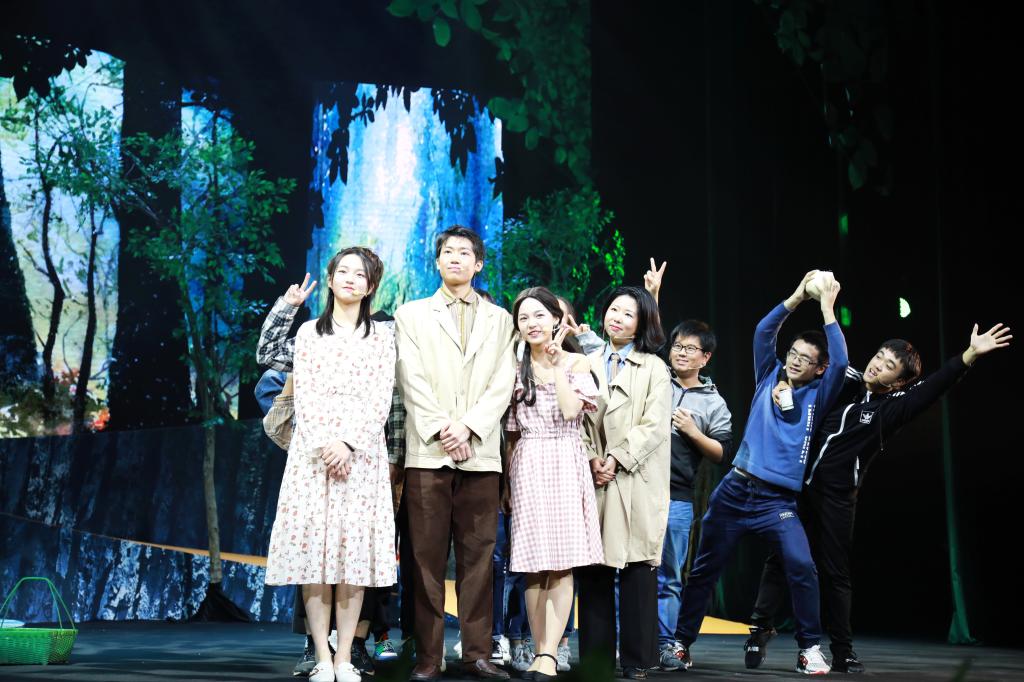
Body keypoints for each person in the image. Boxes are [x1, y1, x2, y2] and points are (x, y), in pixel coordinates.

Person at [746, 322, 1012, 673]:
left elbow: (933, 387)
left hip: (837, 498)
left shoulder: (893, 408)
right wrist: (783, 382)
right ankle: (760, 628)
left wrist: (968, 356)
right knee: (780, 557)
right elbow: (805, 367)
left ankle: (842, 651)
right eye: (879, 357)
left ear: (899, 382)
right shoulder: (845, 380)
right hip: (798, 487)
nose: (877, 365)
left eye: (889, 366)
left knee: (835, 573)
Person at [673, 270, 847, 676]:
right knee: (704, 570)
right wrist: (797, 296)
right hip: (735, 491)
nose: (795, 361)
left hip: (776, 501)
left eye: (805, 359)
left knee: (802, 567)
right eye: (793, 353)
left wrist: (826, 307)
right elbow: (763, 332)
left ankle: (809, 648)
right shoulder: (769, 374)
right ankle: (680, 643)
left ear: (819, 369)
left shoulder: (819, 393)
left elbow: (841, 361)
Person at [256, 272, 406, 677]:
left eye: (360, 275)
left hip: (362, 457)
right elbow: (271, 357)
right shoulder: (309, 333)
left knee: (353, 559)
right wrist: (287, 306)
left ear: (370, 287)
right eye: (343, 272)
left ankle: (345, 659)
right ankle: (322, 657)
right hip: (313, 456)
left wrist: (349, 443)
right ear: (330, 281)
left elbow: (381, 397)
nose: (351, 280)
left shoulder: (382, 336)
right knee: (315, 559)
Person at [395, 226, 516, 682]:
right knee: (425, 559)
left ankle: (477, 653)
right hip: (429, 452)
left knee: (479, 558)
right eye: (448, 252)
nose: (456, 259)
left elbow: (503, 380)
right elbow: (409, 376)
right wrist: (444, 428)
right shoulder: (411, 315)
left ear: (478, 263)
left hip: (480, 453)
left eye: (465, 253)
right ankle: (429, 657)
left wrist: (469, 426)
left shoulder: (500, 319)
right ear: (437, 261)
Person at [504, 287, 605, 680]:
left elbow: (569, 409)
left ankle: (548, 652)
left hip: (564, 458)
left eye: (539, 315)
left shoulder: (577, 362)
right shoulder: (514, 365)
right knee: (533, 567)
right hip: (528, 462)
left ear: (556, 320)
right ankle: (539, 650)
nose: (532, 323)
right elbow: (511, 432)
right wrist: (506, 483)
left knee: (561, 565)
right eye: (524, 317)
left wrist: (558, 362)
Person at [577, 285, 671, 681]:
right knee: (594, 571)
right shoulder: (585, 361)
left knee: (636, 569)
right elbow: (575, 419)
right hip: (593, 476)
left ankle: (637, 660)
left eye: (628, 314)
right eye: (613, 309)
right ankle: (596, 659)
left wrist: (616, 458)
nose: (616, 318)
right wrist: (591, 457)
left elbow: (654, 425)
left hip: (634, 478)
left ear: (642, 323)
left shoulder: (654, 368)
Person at [655, 320, 733, 671]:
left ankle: (665, 646)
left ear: (706, 357)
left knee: (669, 577)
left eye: (690, 349)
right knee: (625, 571)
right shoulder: (657, 379)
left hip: (677, 496)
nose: (681, 353)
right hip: (636, 491)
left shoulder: (714, 402)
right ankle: (626, 643)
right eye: (677, 346)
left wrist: (692, 432)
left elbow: (722, 453)